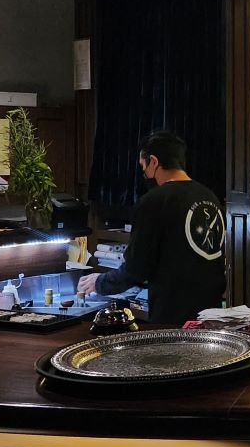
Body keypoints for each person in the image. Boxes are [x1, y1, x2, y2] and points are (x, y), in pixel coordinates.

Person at [77, 131, 226, 324]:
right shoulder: (209, 197)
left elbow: (136, 268)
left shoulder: (153, 202)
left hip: (173, 313)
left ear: (153, 161)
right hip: (211, 310)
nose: (144, 174)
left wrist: (100, 283)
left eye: (143, 166)